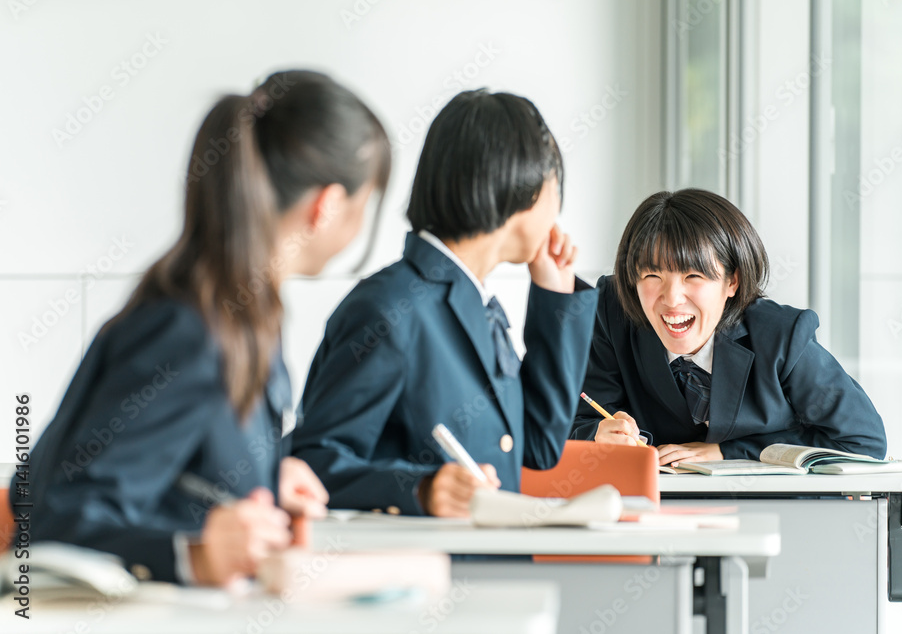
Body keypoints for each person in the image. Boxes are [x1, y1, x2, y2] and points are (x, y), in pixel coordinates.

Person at [20, 70, 391, 585]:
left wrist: (265, 477)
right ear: (326, 207)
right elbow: (58, 526)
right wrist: (196, 556)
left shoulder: (243, 317)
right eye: (364, 203)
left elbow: (174, 474)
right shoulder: (190, 333)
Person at [292, 89, 599, 517]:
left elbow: (540, 446)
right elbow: (313, 464)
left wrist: (555, 296)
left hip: (490, 556)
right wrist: (419, 489)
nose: (556, 213)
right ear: (521, 184)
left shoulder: (476, 303)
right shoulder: (390, 309)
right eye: (555, 189)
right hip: (421, 559)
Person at [570, 189, 887, 465]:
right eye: (652, 276)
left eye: (693, 276)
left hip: (771, 508)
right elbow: (571, 421)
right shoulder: (613, 311)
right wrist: (597, 434)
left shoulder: (781, 336)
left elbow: (863, 441)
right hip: (653, 506)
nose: (672, 299)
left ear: (732, 280)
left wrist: (728, 452)